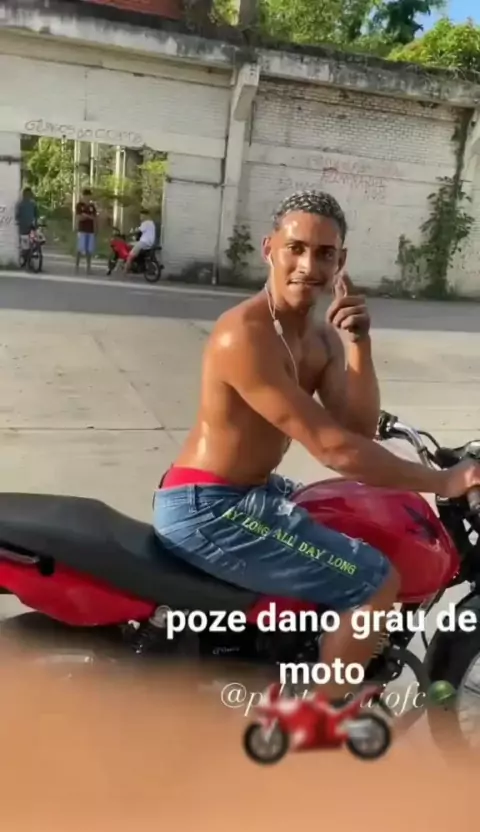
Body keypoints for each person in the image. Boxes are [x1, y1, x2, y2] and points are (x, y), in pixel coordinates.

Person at [152, 188, 480, 697]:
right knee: (372, 581)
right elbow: (336, 450)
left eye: (324, 253)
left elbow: (358, 427)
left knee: (357, 514)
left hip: (252, 490)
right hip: (209, 507)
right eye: (296, 248)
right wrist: (442, 480)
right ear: (270, 249)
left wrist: (359, 343)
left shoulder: (321, 337)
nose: (309, 266)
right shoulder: (244, 334)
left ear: (340, 262)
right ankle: (319, 719)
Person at [124, 208, 156, 274]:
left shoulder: (146, 223)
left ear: (146, 216)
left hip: (143, 242)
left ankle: (126, 270)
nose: (141, 217)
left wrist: (128, 234)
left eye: (142, 216)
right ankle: (137, 263)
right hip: (149, 243)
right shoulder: (151, 223)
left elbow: (138, 231)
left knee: (130, 255)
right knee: (131, 245)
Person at [75, 188, 97, 274]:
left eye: (89, 196)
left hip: (90, 230)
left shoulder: (92, 206)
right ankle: (77, 266)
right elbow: (79, 217)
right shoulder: (79, 205)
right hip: (82, 230)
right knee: (80, 249)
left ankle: (88, 267)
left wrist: (85, 216)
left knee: (89, 250)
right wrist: (87, 216)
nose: (87, 198)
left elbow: (94, 218)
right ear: (83, 196)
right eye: (86, 196)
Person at [15, 187, 38, 254]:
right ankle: (32, 249)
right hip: (31, 226)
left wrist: (18, 221)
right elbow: (36, 215)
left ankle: (26, 252)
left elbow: (17, 216)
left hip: (23, 227)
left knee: (25, 244)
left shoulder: (20, 204)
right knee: (33, 238)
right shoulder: (33, 204)